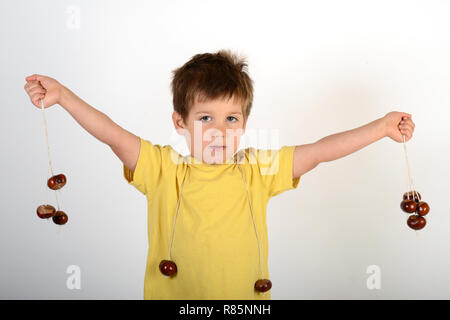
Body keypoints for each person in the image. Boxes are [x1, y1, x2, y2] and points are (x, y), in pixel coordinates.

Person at [24, 49, 415, 300]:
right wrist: (64, 97)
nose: (219, 131)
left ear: (245, 123)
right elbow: (111, 134)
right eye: (205, 118)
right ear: (180, 122)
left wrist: (380, 128)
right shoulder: (163, 169)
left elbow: (318, 152)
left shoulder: (258, 171)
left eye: (231, 118)